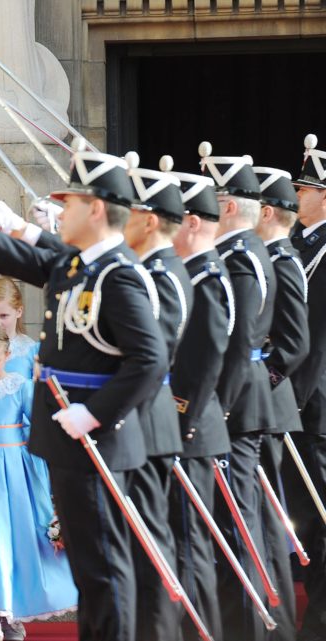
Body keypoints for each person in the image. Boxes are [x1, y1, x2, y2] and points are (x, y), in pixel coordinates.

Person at [0, 141, 169, 641]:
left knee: (106, 568)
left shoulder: (117, 275)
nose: (61, 211)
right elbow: (17, 257)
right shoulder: (78, 265)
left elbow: (150, 359)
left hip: (98, 441)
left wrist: (94, 414)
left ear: (96, 209)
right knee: (90, 571)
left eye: (70, 203)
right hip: (67, 439)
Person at [0, 325, 77, 641]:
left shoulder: (20, 385)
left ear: (8, 355)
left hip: (16, 470)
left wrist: (38, 463)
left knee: (17, 536)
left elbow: (36, 426)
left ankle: (13, 613)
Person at [201, 144, 277, 641]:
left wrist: (220, 409)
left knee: (237, 525)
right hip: (236, 402)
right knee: (232, 522)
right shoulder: (238, 252)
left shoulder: (242, 257)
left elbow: (239, 343)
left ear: (228, 205)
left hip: (237, 406)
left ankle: (248, 630)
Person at [121, 153, 193, 641]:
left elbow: (152, 358)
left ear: (148, 220)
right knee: (139, 542)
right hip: (141, 420)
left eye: (127, 212)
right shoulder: (149, 269)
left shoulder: (161, 274)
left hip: (148, 418)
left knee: (151, 545)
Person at [165, 167, 233, 641]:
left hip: (189, 425)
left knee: (191, 545)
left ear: (191, 221)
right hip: (177, 423)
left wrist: (181, 416)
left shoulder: (208, 276)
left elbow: (207, 362)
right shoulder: (188, 272)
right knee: (179, 542)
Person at [253, 164, 309, 641]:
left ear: (266, 211)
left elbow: (294, 344)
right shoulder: (264, 257)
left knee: (271, 520)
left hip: (269, 403)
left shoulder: (283, 260)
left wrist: (260, 380)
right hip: (262, 404)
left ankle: (280, 627)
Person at [283, 133, 326, 641]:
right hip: (292, 402)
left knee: (319, 516)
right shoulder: (298, 244)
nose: (297, 194)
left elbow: (317, 337)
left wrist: (292, 401)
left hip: (313, 404)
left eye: (305, 188)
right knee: (304, 520)